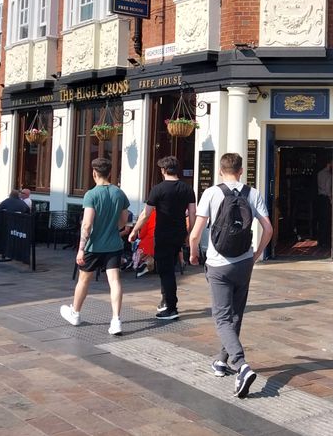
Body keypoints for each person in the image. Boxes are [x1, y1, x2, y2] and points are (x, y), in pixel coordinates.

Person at [189, 153, 272, 399]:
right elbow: (268, 228)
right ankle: (221, 361)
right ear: (241, 170)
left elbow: (195, 234)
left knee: (222, 317)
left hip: (218, 264)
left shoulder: (211, 193)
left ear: (220, 170)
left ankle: (241, 365)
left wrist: (193, 254)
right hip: (244, 262)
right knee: (235, 315)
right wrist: (256, 254)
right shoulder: (253, 193)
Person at [60, 157, 130, 336]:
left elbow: (87, 224)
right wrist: (111, 229)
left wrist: (81, 248)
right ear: (110, 173)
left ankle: (75, 313)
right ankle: (116, 321)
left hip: (93, 246)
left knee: (84, 280)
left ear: (94, 173)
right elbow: (123, 222)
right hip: (114, 245)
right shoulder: (119, 193)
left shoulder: (91, 195)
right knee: (114, 281)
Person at [128, 156, 197, 320]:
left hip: (163, 234)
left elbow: (146, 214)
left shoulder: (158, 189)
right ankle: (165, 300)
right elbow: (193, 213)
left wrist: (134, 231)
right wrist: (189, 233)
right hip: (179, 233)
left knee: (166, 272)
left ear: (163, 170)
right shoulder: (187, 189)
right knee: (169, 268)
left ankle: (171, 308)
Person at [314, 159, 333, 245]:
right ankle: (325, 240)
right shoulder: (329, 175)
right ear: (329, 164)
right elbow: (328, 188)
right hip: (326, 198)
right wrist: (331, 199)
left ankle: (320, 240)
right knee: (326, 219)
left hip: (320, 197)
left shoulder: (319, 173)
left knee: (321, 219)